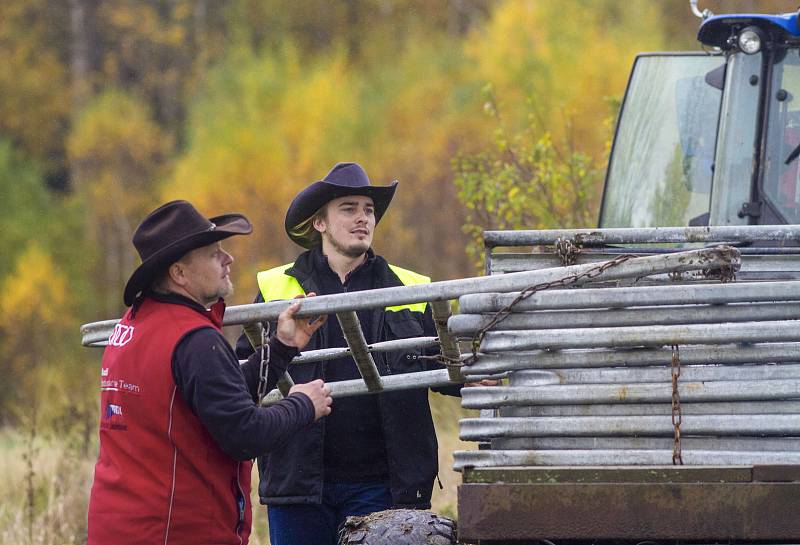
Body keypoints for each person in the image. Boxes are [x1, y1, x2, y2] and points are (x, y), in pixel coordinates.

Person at [235, 162, 465, 545]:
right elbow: (245, 378)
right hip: (300, 487)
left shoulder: (409, 288)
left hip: (385, 487)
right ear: (319, 223)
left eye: (368, 210)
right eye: (349, 209)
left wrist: (481, 375)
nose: (363, 219)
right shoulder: (276, 288)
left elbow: (445, 368)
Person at [87, 200, 332, 545]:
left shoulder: (133, 326)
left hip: (121, 528)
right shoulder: (195, 339)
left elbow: (215, 402)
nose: (228, 259)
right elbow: (243, 433)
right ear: (180, 274)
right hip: (176, 532)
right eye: (214, 252)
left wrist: (282, 347)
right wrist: (303, 405)